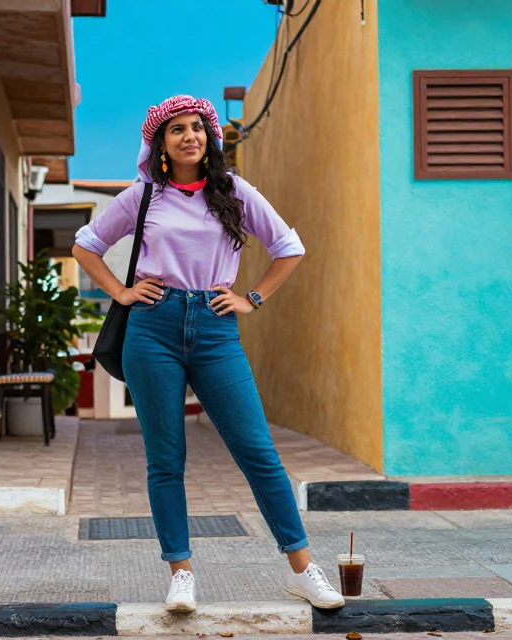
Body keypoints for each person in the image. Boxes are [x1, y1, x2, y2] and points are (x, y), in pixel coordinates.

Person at [72, 95, 344, 612]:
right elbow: (85, 245)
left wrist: (252, 298)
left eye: (198, 127)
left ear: (209, 138)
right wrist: (122, 292)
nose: (190, 136)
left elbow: (289, 247)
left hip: (218, 329)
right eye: (177, 130)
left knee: (258, 452)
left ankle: (304, 569)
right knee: (166, 458)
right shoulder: (143, 196)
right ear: (162, 145)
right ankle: (180, 572)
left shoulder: (235, 192)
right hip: (152, 329)